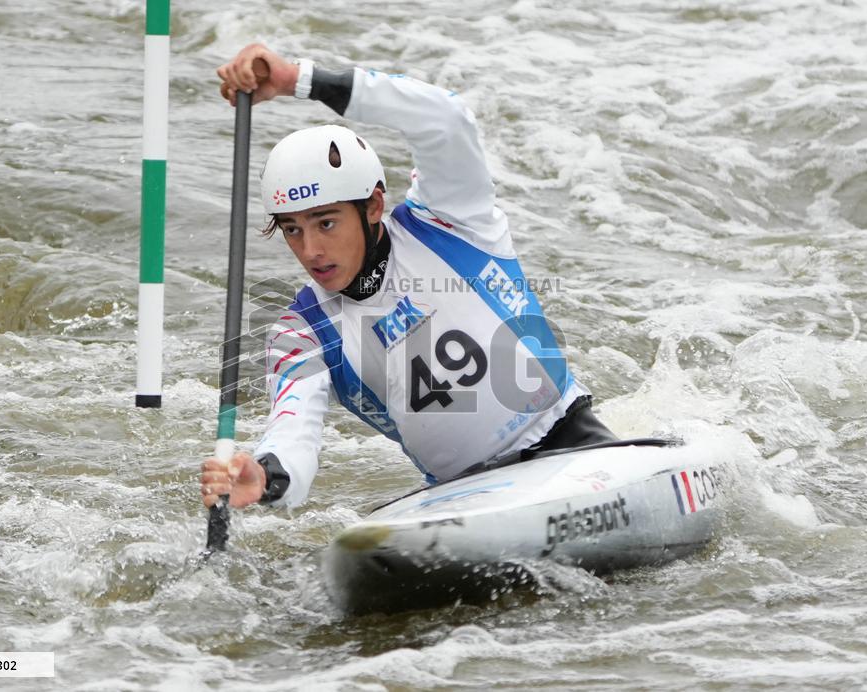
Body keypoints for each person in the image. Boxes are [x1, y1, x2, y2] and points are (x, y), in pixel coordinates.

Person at [201, 43, 615, 511]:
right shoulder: (302, 334)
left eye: (326, 222)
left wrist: (301, 79)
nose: (310, 249)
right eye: (293, 229)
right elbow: (294, 432)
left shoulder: (452, 220)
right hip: (468, 497)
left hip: (572, 443)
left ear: (373, 206)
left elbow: (446, 118)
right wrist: (265, 474)